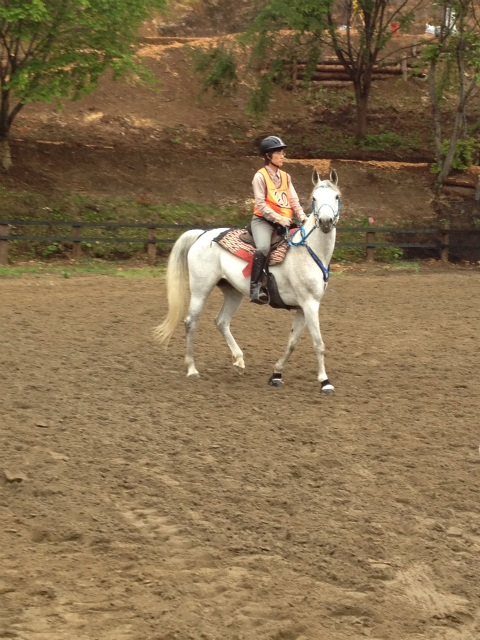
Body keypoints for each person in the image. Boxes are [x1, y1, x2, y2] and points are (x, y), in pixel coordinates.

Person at [250, 135, 307, 304]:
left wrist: (302, 216)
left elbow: (293, 200)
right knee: (263, 247)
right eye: (279, 153)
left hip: (284, 222)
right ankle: (255, 288)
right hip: (263, 221)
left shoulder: (286, 177)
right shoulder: (260, 177)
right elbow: (261, 205)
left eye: (283, 153)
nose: (283, 156)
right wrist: (278, 218)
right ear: (268, 156)